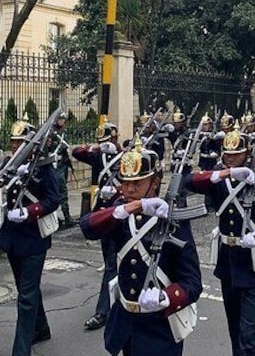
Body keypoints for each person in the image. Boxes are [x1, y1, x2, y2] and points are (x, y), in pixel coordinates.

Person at [80, 139, 201, 356]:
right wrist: (131, 207)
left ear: (154, 183)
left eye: (137, 183)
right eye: (126, 183)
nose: (129, 189)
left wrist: (167, 297)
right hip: (126, 324)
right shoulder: (120, 213)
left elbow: (192, 282)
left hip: (160, 329)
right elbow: (87, 226)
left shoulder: (173, 220)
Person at [183, 126, 255, 356]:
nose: (230, 158)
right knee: (235, 334)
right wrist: (224, 174)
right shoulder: (220, 178)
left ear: (247, 154)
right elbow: (189, 181)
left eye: (235, 154)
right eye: (227, 154)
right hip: (228, 264)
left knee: (249, 339)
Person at [0, 118, 59, 355]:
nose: (15, 146)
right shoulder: (11, 164)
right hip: (13, 237)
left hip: (33, 239)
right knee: (27, 288)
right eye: (13, 142)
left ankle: (20, 350)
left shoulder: (44, 167)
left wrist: (29, 212)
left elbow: (53, 200)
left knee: (26, 296)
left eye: (20, 142)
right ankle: (41, 328)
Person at [72, 119, 123, 332]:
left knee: (112, 264)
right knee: (109, 261)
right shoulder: (98, 155)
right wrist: (95, 147)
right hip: (101, 215)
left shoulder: (126, 157)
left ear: (115, 137)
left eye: (107, 139)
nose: (104, 143)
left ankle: (103, 311)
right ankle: (116, 295)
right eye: (101, 140)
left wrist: (118, 192)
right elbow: (76, 152)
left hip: (119, 216)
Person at [47, 111, 75, 228]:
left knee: (63, 192)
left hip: (62, 165)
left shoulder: (63, 132)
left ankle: (66, 217)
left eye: (63, 119)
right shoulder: (50, 132)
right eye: (60, 119)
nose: (62, 121)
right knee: (57, 192)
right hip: (54, 166)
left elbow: (65, 150)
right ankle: (60, 218)